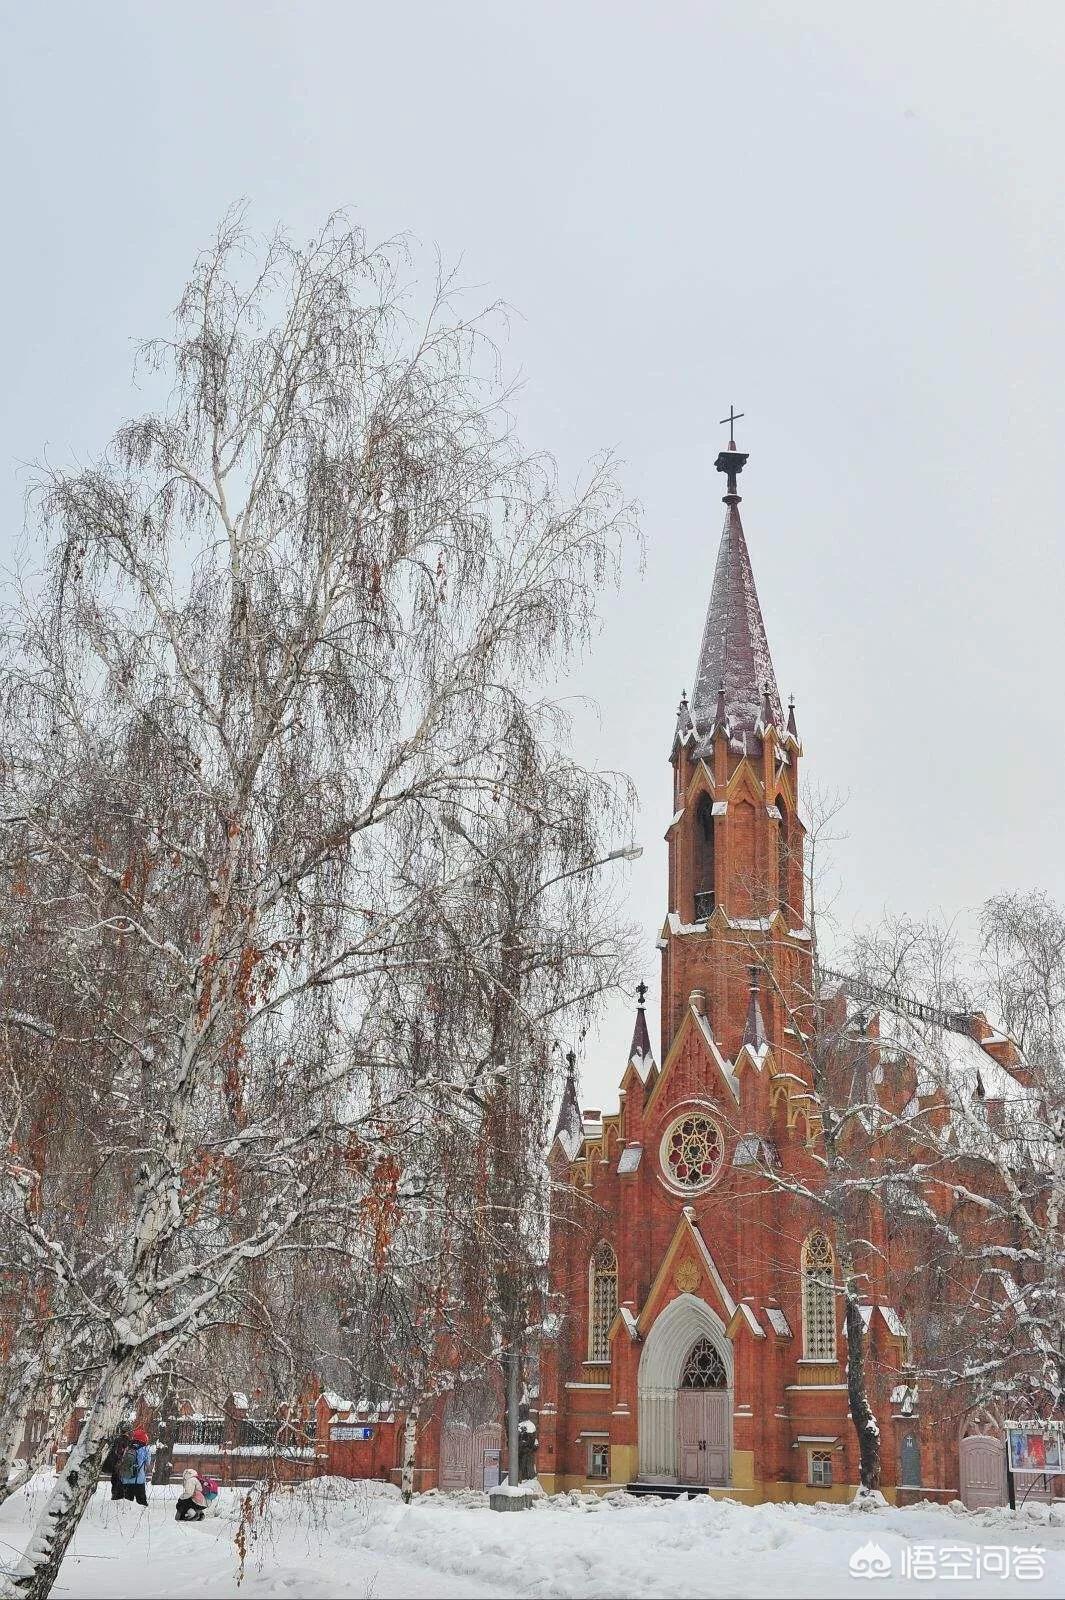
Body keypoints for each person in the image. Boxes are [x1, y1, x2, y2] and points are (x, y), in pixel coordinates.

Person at [117, 1428, 152, 1506]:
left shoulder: (127, 1447)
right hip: (139, 1480)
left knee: (127, 1503)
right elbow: (148, 1464)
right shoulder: (145, 1449)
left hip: (126, 1479)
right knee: (142, 1502)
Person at [103, 1428, 132, 1501]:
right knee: (121, 1480)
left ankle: (115, 1495)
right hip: (121, 1464)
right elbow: (122, 1453)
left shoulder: (116, 1440)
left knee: (115, 1480)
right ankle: (119, 1496)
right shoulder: (127, 1441)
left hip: (115, 1464)